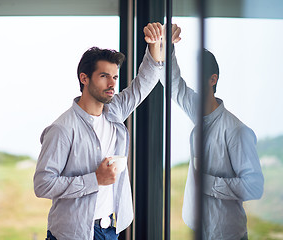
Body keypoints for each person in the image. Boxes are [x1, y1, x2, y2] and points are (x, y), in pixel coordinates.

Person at [33, 22, 181, 240]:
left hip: (110, 229)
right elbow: (43, 185)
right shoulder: (62, 129)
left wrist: (155, 47)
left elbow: (143, 84)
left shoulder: (114, 111)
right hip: (72, 234)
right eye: (104, 76)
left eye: (115, 77)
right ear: (84, 78)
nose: (112, 83)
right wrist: (95, 179)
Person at [164, 46, 264, 239]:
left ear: (213, 79)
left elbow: (255, 186)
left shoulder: (237, 131)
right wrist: (167, 49)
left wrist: (209, 184)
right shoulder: (199, 113)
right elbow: (174, 85)